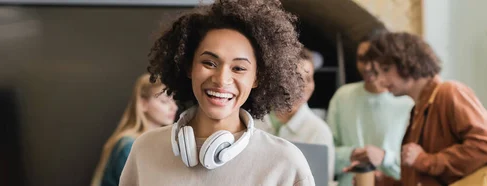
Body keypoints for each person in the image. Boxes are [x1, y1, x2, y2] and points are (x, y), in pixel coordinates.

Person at [119, 0, 314, 185]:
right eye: (209, 63)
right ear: (188, 66)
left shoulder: (286, 163)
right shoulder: (145, 150)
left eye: (238, 68)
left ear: (257, 78)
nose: (221, 80)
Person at [366, 32, 487, 186]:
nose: (380, 80)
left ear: (406, 61)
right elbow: (422, 177)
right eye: (378, 73)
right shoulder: (418, 109)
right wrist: (382, 182)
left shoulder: (449, 92)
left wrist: (425, 161)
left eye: (386, 70)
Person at [328, 29, 414, 186]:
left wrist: (384, 157)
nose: (367, 67)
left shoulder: (406, 103)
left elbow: (415, 163)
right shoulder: (342, 97)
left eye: (373, 59)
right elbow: (326, 152)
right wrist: (351, 154)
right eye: (361, 59)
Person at [255, 47, 335, 183]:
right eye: (296, 77)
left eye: (309, 78)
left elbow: (321, 182)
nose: (303, 86)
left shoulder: (319, 131)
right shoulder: (253, 121)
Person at [91, 73, 178, 186]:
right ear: (143, 104)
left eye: (174, 100)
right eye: (164, 101)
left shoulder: (161, 143)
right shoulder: (129, 146)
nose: (174, 107)